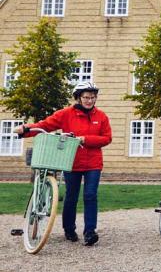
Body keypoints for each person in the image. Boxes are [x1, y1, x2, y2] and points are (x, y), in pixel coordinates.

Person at [14, 81, 112, 246]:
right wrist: (25, 129)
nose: (89, 101)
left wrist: (85, 139)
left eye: (92, 98)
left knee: (90, 196)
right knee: (71, 197)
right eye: (86, 97)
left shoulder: (101, 116)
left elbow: (107, 138)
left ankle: (90, 232)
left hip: (93, 164)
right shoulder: (66, 114)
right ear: (78, 98)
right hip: (71, 162)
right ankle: (69, 229)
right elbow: (45, 125)